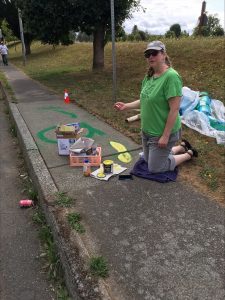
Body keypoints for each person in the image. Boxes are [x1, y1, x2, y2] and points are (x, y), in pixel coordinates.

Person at [114, 41, 198, 174]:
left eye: (154, 53)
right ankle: (180, 147)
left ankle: (189, 154)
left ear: (163, 54)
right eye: (148, 54)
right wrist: (126, 106)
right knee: (147, 161)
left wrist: (165, 136)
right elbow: (144, 100)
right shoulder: (149, 76)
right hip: (147, 131)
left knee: (155, 168)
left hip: (162, 133)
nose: (150, 57)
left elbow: (174, 109)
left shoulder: (171, 77)